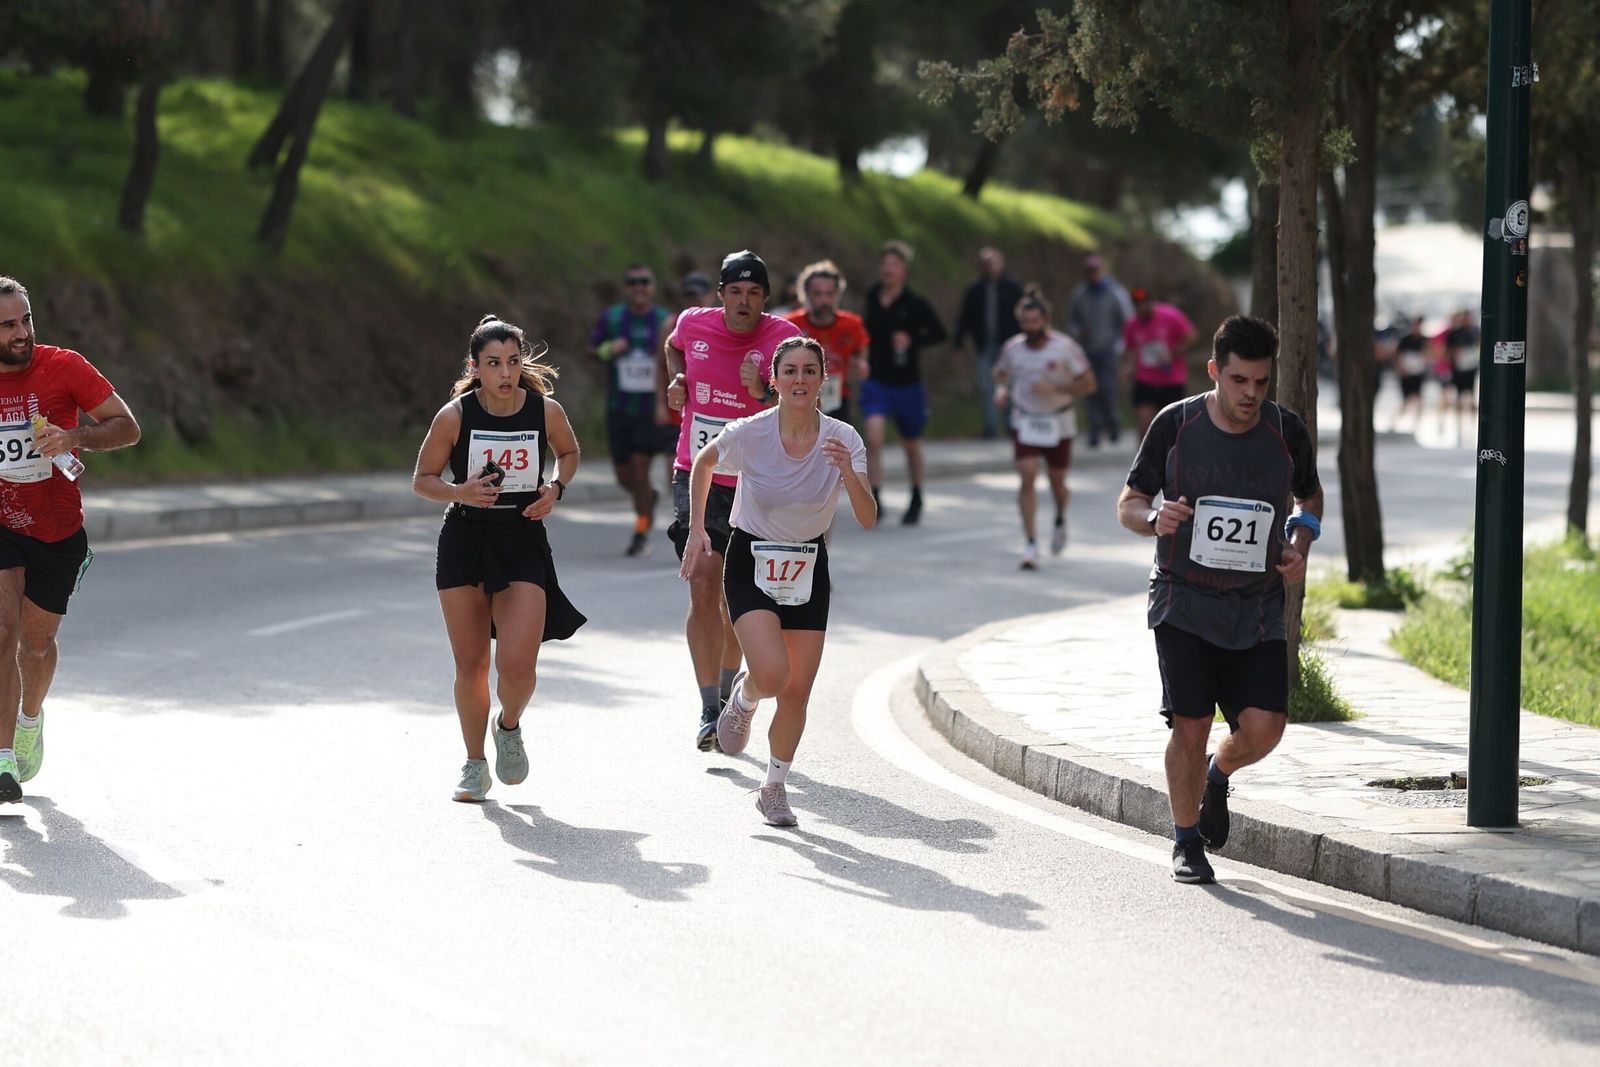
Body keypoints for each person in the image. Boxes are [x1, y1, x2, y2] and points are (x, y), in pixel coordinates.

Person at [1115, 315, 1323, 885]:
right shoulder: (1175, 423)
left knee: (1267, 728)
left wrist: (1301, 540)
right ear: (1214, 372)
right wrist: (1156, 519)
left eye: (1261, 381)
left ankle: (1218, 774)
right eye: (1238, 381)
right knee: (1190, 723)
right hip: (1183, 599)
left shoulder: (1286, 429)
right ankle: (1185, 842)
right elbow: (1129, 503)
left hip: (1256, 605)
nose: (1251, 394)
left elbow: (1309, 495)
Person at [680, 336, 875, 826]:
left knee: (796, 692)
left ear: (823, 379)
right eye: (790, 371)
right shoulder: (752, 432)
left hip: (809, 562)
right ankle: (743, 698)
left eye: (810, 371)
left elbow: (869, 517)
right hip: (751, 556)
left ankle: (773, 787)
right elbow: (703, 463)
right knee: (770, 674)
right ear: (774, 378)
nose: (800, 380)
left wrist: (848, 472)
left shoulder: (844, 438)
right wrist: (698, 530)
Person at [412, 315, 586, 802]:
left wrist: (556, 488)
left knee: (518, 667)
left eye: (513, 362)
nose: (506, 374)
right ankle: (473, 764)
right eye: (494, 364)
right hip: (465, 539)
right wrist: (459, 491)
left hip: (522, 538)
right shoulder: (455, 416)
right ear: (476, 367)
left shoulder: (544, 410)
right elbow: (422, 480)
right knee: (470, 666)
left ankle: (508, 726)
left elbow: (568, 453)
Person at [0, 277, 141, 803]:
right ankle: (2, 760)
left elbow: (127, 427)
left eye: (26, 320)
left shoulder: (63, 368)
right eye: (9, 325)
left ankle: (29, 719)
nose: (22, 333)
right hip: (1, 525)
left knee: (34, 647)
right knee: (2, 630)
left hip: (57, 531)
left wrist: (74, 436)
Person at [664, 250, 802, 751]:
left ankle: (726, 697)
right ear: (719, 295)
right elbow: (674, 346)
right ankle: (707, 709)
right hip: (697, 471)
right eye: (735, 293)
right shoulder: (692, 324)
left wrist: (763, 395)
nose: (744, 303)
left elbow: (803, 400)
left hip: (756, 481)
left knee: (733, 597)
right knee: (702, 580)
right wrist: (677, 381)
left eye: (754, 294)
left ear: (765, 300)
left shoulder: (782, 338)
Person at [992, 288, 1095, 570]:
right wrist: (1001, 391)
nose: (1030, 327)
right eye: (1025, 322)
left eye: (1035, 322)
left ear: (1046, 319)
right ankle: (1030, 543)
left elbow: (1088, 383)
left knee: (1057, 482)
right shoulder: (1013, 348)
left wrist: (1057, 387)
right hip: (1025, 420)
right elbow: (1000, 373)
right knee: (1027, 477)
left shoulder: (1064, 348)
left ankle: (1060, 517)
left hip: (1058, 421)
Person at [860, 240, 947, 525]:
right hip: (876, 380)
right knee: (873, 436)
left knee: (911, 443)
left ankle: (917, 494)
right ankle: (875, 496)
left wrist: (913, 340)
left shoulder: (915, 303)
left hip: (907, 383)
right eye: (884, 264)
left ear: (903, 271)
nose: (888, 269)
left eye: (893, 265)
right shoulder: (873, 297)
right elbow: (865, 333)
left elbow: (938, 332)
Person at [590, 265, 674, 557]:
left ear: (653, 287)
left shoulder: (665, 321)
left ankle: (640, 531)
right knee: (625, 477)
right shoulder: (613, 318)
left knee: (640, 472)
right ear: (626, 287)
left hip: (649, 410)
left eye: (645, 282)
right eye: (633, 282)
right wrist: (609, 349)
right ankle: (648, 498)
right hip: (619, 408)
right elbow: (592, 349)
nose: (639, 287)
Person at [783, 259, 870, 424]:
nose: (824, 300)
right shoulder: (790, 325)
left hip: (837, 398)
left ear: (837, 295)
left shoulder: (852, 325)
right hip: (799, 396)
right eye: (818, 294)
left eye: (829, 294)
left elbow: (861, 353)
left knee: (835, 447)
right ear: (805, 294)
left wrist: (861, 365)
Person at [953, 247, 1023, 440]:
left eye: (992, 263)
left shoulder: (1013, 288)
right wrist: (958, 343)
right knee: (986, 386)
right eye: (985, 264)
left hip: (1008, 346)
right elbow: (964, 318)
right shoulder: (975, 291)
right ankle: (990, 427)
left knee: (1009, 383)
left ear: (1001, 264)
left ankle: (1011, 425)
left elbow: (1025, 316)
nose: (989, 267)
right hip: (984, 345)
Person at [1065, 254, 1132, 448]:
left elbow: (1127, 322)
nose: (1093, 274)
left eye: (1096, 270)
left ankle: (1112, 424)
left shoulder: (1115, 293)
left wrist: (1120, 345)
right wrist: (1078, 332)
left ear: (1101, 271)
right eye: (1089, 271)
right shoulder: (1079, 295)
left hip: (1109, 350)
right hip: (1087, 351)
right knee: (1090, 390)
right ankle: (1094, 430)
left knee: (1108, 390)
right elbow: (1072, 322)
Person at [1122, 286, 1197, 440]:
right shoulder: (1132, 325)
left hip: (1171, 380)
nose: (1141, 307)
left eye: (1144, 303)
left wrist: (1173, 352)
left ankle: (1175, 460)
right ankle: (1145, 461)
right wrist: (1127, 367)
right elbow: (1130, 349)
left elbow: (1191, 336)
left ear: (1152, 302)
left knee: (1173, 428)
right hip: (1145, 380)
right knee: (1145, 426)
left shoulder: (1170, 315)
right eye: (1137, 304)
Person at [1443, 309, 1481, 437]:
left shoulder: (1476, 332)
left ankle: (1472, 423)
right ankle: (1459, 424)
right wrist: (1456, 353)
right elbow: (1447, 352)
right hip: (1458, 370)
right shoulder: (1454, 334)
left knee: (1471, 396)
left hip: (1471, 368)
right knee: (1459, 397)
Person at [1395, 316, 1429, 427]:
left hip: (1418, 373)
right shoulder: (1405, 340)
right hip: (1406, 373)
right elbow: (1397, 355)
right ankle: (1396, 422)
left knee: (1418, 398)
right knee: (1406, 400)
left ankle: (1417, 423)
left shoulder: (1424, 340)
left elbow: (1429, 354)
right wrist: (1401, 369)